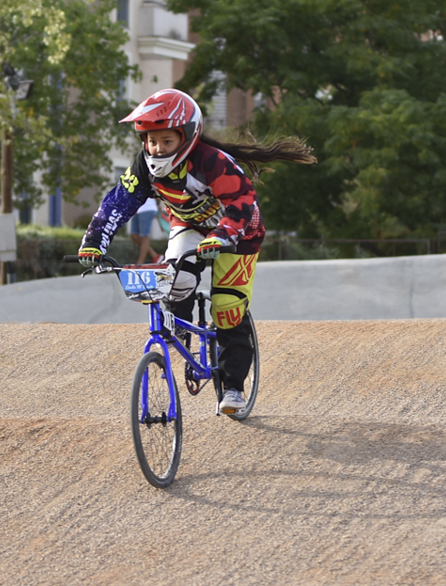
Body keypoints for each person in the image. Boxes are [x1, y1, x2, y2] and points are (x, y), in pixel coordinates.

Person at [78, 89, 315, 413]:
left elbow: (242, 203)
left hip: (239, 234)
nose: (157, 149)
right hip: (190, 228)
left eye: (166, 141)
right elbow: (118, 202)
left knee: (228, 307)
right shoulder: (143, 167)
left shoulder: (212, 162)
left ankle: (233, 388)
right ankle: (183, 333)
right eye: (151, 141)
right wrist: (94, 242)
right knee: (175, 281)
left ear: (186, 136)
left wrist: (222, 235)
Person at [129, 197, 162, 264]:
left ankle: (139, 264)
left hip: (147, 209)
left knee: (144, 236)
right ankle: (155, 256)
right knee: (134, 236)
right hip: (137, 210)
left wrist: (159, 203)